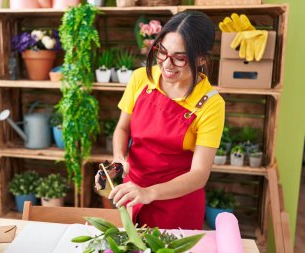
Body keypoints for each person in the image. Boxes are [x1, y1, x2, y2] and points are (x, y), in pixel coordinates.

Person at [96, 10, 225, 230]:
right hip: (133, 193)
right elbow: (122, 128)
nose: (166, 64)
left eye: (180, 58)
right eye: (162, 52)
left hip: (177, 205)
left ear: (201, 59)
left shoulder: (211, 104)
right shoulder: (141, 78)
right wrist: (119, 161)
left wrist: (149, 193)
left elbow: (199, 174)